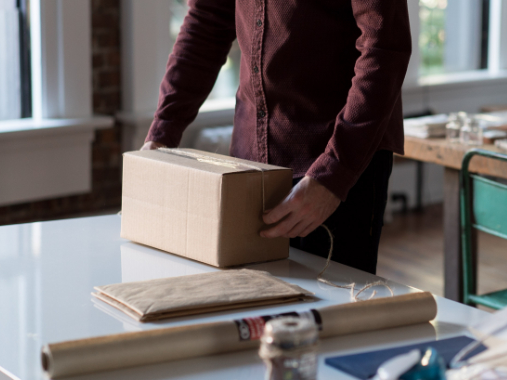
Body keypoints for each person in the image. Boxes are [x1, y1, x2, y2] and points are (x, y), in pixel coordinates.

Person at [142, 0, 412, 274]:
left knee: (331, 311)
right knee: (251, 306)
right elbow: (207, 20)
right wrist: (162, 133)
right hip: (250, 166)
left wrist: (333, 175)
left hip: (337, 166)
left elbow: (384, 48)